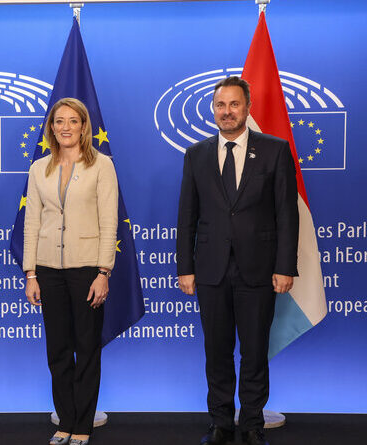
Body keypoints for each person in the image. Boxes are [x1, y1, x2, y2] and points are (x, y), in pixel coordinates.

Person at [176, 76, 298, 445]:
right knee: (216, 350)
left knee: (255, 351)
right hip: (211, 269)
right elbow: (187, 216)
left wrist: (284, 266)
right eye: (220, 105)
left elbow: (286, 215)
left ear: (248, 108)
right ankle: (220, 423)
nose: (227, 112)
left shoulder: (275, 151)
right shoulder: (196, 154)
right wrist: (185, 268)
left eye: (234, 105)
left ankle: (251, 424)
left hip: (259, 268)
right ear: (213, 109)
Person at [23, 97, 119, 445]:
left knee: (87, 348)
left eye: (72, 121)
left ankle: (83, 424)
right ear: (51, 128)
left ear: (83, 126)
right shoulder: (39, 169)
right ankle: (64, 421)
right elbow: (32, 221)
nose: (65, 127)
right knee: (58, 350)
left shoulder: (102, 166)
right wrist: (30, 273)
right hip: (48, 271)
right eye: (59, 121)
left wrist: (103, 271)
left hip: (86, 270)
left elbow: (109, 222)